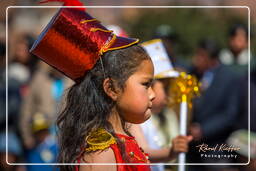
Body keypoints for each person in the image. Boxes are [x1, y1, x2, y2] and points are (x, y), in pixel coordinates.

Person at [30, 0, 192, 171]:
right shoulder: (101, 154)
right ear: (112, 89)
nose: (152, 94)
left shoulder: (123, 141)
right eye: (146, 84)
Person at [130, 39, 191, 171]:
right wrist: (170, 152)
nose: (169, 95)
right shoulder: (135, 118)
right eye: (165, 88)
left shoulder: (166, 115)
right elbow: (143, 151)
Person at [188, 39, 240, 171]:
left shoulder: (229, 78)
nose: (196, 60)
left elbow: (230, 114)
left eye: (201, 56)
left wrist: (204, 130)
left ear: (212, 60)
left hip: (216, 149)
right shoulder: (191, 74)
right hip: (192, 151)